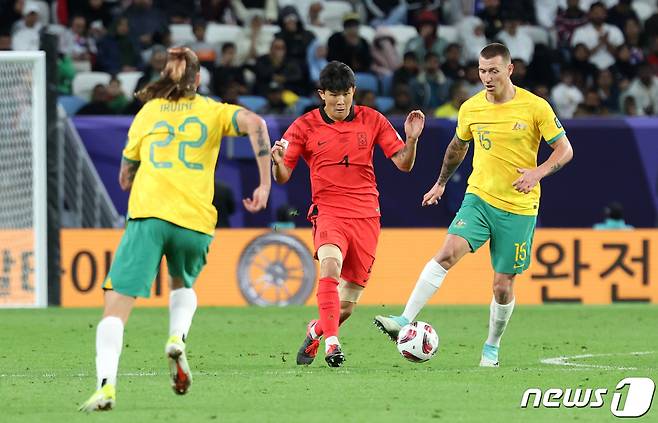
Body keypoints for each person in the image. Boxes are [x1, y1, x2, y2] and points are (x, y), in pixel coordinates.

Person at [79, 47, 272, 411]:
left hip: (150, 216)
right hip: (195, 220)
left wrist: (137, 172)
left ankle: (106, 386)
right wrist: (263, 185)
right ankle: (176, 336)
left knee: (115, 308)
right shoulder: (213, 110)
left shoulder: (149, 112)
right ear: (198, 80)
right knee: (184, 283)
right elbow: (256, 124)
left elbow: (124, 175)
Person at [373, 43, 574, 367]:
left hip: (519, 207)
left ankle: (491, 346)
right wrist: (440, 183)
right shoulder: (470, 108)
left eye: (494, 70)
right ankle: (404, 319)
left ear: (510, 70)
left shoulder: (535, 107)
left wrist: (537, 173)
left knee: (502, 285)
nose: (487, 77)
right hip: (478, 198)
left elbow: (565, 150)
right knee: (447, 253)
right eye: (482, 71)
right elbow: (457, 148)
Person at [271, 61, 425, 367]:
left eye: (345, 93)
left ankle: (316, 331)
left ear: (353, 92)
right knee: (330, 267)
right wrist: (276, 162)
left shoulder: (373, 120)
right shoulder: (303, 126)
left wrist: (412, 139)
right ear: (321, 94)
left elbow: (404, 164)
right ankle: (332, 344)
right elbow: (283, 175)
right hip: (328, 212)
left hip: (367, 215)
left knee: (345, 308)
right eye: (333, 94)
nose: (340, 101)